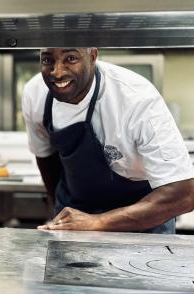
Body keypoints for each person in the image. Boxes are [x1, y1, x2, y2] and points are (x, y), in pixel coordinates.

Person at [22, 48, 194, 233]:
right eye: (48, 60)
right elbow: (46, 157)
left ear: (93, 56)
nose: (57, 72)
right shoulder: (36, 93)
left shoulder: (136, 99)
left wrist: (96, 222)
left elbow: (184, 194)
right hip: (74, 216)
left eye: (70, 58)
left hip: (142, 218)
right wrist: (58, 208)